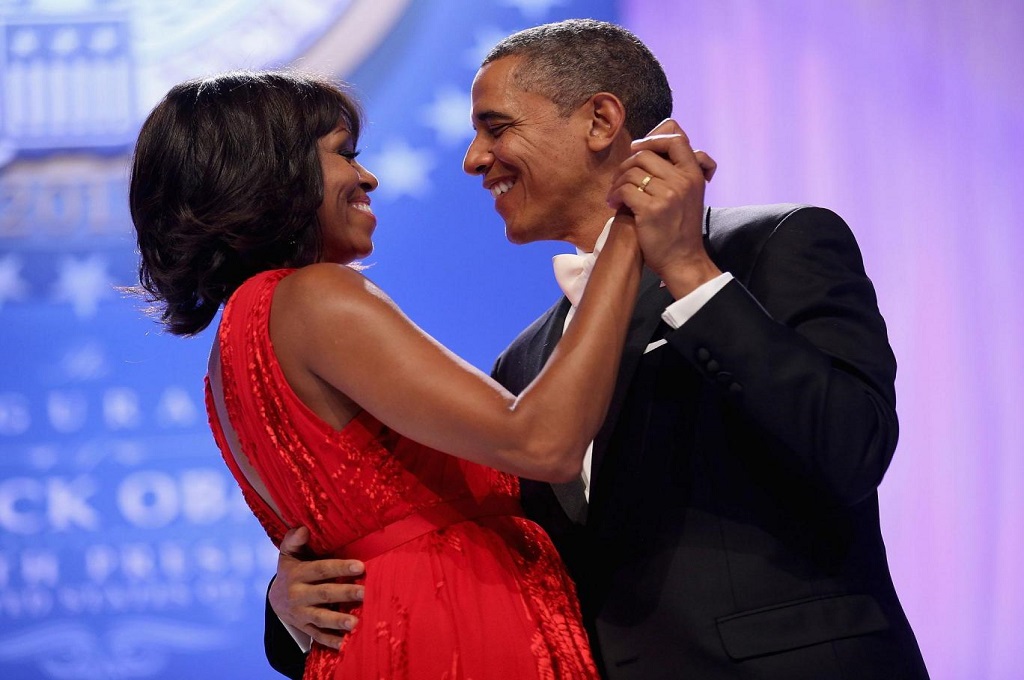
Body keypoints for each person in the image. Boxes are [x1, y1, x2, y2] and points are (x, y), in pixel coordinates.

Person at [264, 19, 929, 680]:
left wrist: (692, 275)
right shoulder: (526, 363)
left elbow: (852, 448)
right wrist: (292, 610)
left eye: (496, 128)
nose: (473, 158)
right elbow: (475, 549)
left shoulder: (772, 245)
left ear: (601, 121)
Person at [129, 69, 712, 678]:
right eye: (343, 155)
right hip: (453, 629)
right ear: (268, 173)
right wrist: (626, 230)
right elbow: (541, 442)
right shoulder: (311, 298)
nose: (367, 176)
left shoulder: (235, 344)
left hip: (383, 639)